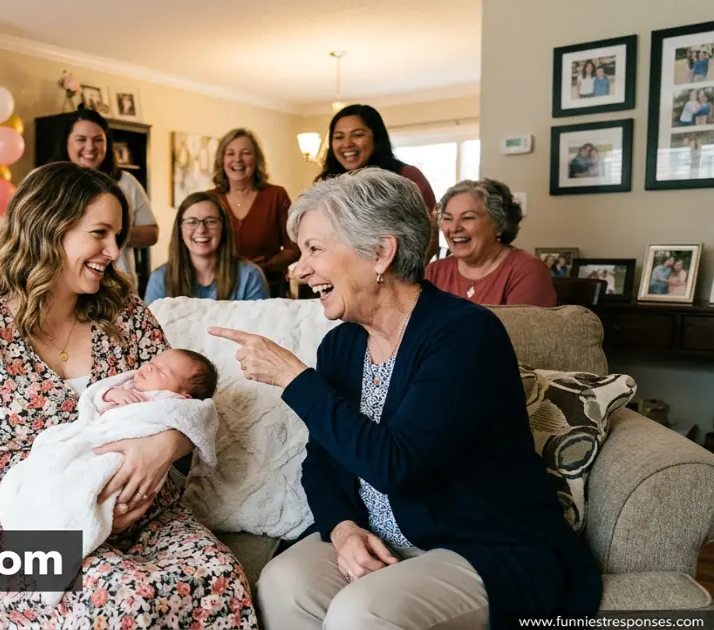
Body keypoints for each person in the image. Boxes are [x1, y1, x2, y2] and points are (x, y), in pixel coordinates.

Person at [208, 168, 601, 628]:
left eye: (314, 249)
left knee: (364, 612)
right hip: (379, 537)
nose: (299, 268)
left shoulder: (464, 335)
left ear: (380, 252)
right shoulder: (342, 343)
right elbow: (322, 463)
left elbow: (397, 464)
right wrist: (342, 528)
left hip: (482, 544)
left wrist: (295, 379)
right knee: (283, 583)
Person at [0, 161, 256, 628]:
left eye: (117, 236)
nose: (114, 251)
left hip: (136, 516)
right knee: (120, 599)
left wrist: (165, 445)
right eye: (100, 234)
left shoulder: (126, 316)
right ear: (48, 229)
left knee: (219, 575)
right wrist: (67, 519)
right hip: (15, 523)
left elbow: (186, 404)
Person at [314, 104, 439, 262]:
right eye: (339, 137)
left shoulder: (407, 176)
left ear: (376, 138)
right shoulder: (325, 183)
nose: (347, 144)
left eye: (357, 135)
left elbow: (428, 240)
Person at [52, 107, 158, 289]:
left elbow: (152, 234)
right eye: (81, 139)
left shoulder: (126, 182)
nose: (90, 147)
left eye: (98, 140)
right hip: (62, 286)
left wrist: (111, 232)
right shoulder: (50, 182)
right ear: (66, 143)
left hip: (117, 286)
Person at [425, 179, 557, 307]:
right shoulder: (434, 271)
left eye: (467, 218)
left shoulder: (527, 271)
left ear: (499, 225)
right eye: (448, 218)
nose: (454, 228)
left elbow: (523, 329)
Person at [208, 128, 298, 297]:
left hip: (268, 289)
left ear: (257, 159)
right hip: (219, 291)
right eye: (230, 153)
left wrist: (263, 267)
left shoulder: (276, 195)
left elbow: (294, 247)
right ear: (221, 160)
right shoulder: (209, 200)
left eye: (246, 153)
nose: (238, 160)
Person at [144, 191, 268, 305]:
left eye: (210, 221)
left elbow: (257, 328)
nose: (201, 230)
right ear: (180, 229)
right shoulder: (159, 279)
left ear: (223, 228)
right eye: (192, 222)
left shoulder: (250, 276)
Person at [95, 348, 219, 413]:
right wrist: (110, 394)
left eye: (161, 371)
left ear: (184, 396)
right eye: (152, 362)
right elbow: (92, 402)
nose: (149, 367)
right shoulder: (127, 385)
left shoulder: (170, 403)